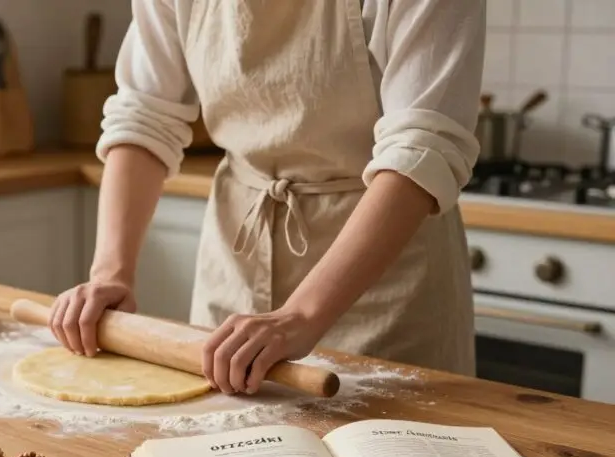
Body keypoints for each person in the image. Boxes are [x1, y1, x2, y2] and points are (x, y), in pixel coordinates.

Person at [50, 0, 485, 395]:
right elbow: (145, 115)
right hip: (236, 257)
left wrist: (302, 315)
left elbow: (420, 149)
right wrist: (110, 273)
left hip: (386, 280)